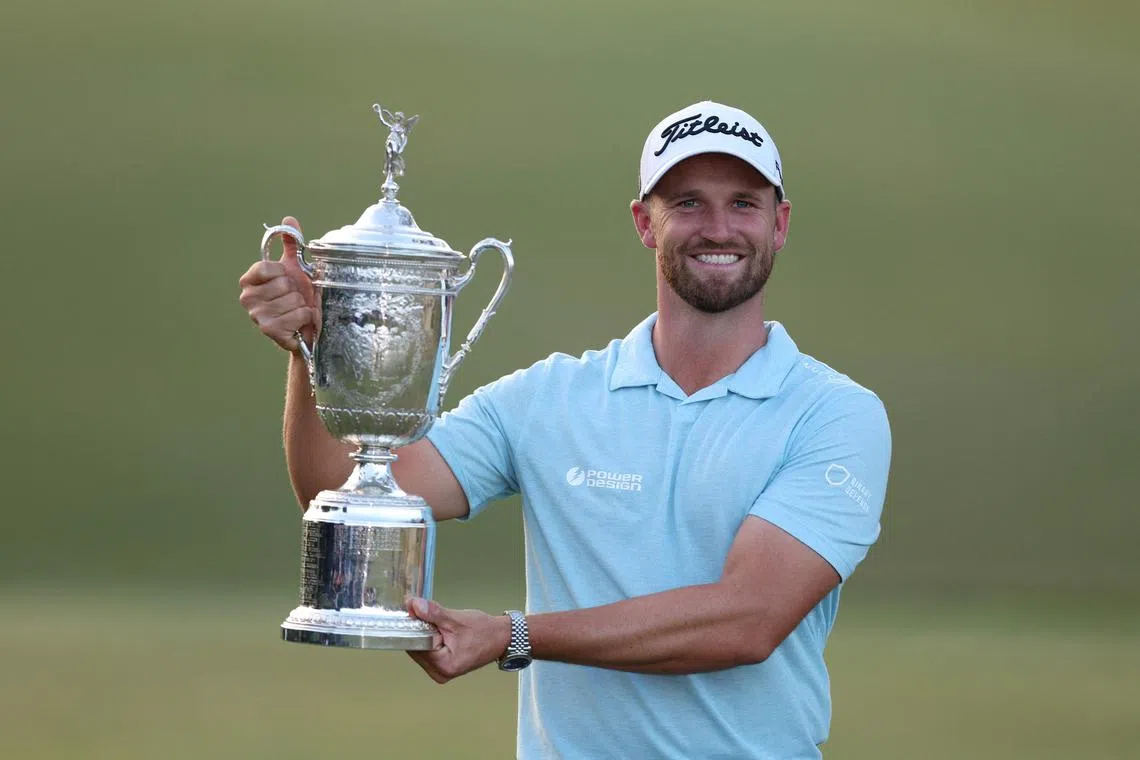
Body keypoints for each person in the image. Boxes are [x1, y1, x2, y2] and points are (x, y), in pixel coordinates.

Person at [238, 100, 892, 759]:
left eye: (743, 203)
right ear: (645, 222)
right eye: (688, 202)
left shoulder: (834, 413)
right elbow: (341, 489)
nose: (718, 227)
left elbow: (748, 620)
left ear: (779, 223)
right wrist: (317, 351)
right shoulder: (549, 398)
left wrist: (513, 635)